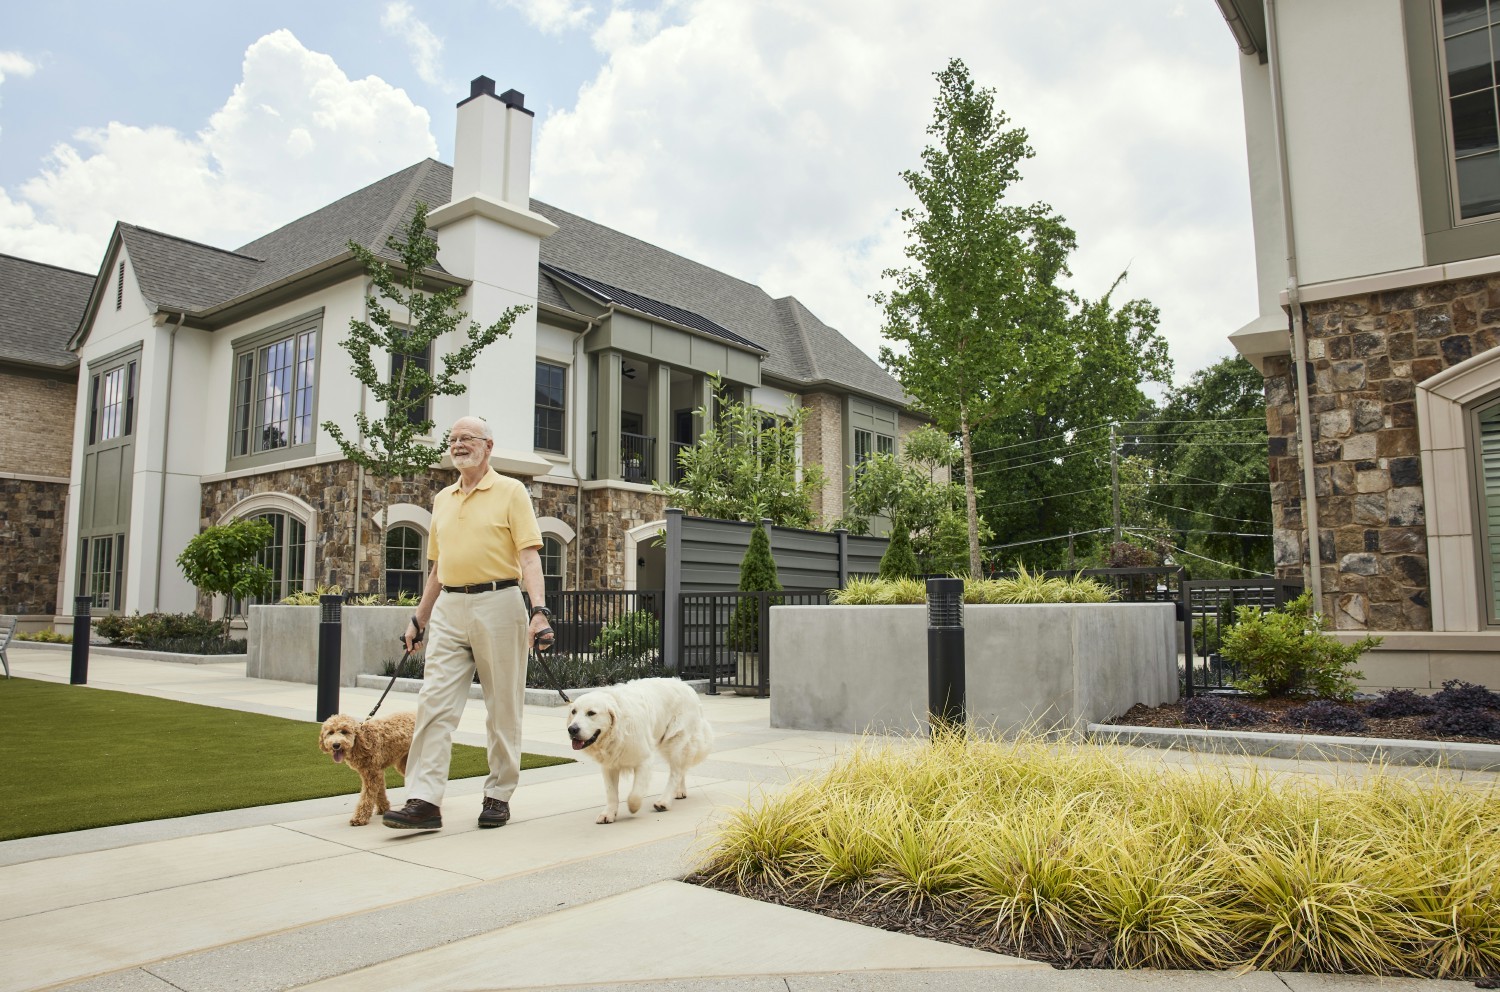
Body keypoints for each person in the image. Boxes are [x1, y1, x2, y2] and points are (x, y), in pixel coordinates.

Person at [383, 416, 554, 831]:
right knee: (434, 705)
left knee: (503, 707)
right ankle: (424, 800)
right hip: (449, 607)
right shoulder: (442, 499)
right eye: (453, 439)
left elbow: (530, 557)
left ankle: (498, 794)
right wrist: (418, 619)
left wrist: (539, 612)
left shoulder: (512, 491)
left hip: (499, 603)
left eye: (467, 438)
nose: (458, 445)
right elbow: (439, 568)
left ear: (488, 446)